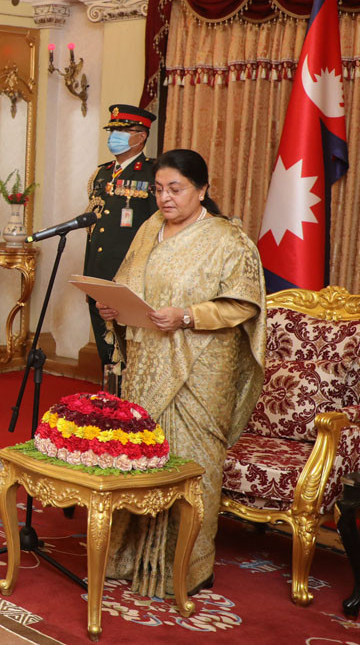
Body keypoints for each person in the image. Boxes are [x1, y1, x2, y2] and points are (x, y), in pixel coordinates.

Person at [96, 148, 265, 598]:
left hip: (200, 369)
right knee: (141, 459)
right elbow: (129, 285)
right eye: (158, 189)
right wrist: (114, 307)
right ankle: (129, 559)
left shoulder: (229, 241)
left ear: (202, 190)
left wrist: (187, 316)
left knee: (191, 467)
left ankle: (189, 568)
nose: (165, 199)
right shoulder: (150, 229)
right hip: (147, 361)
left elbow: (243, 305)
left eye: (176, 189)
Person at [84, 104, 159, 368]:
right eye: (113, 130)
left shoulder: (153, 172)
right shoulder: (101, 173)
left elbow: (157, 230)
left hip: (130, 276)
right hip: (98, 273)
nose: (115, 136)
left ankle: (127, 407)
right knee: (107, 354)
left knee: (130, 357)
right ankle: (110, 405)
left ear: (141, 136)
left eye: (123, 130)